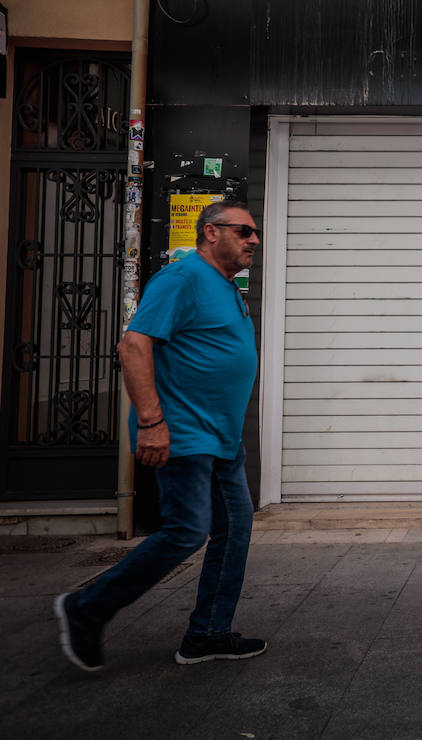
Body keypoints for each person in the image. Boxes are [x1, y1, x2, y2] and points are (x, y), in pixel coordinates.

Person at [55, 200, 267, 671]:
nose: (253, 239)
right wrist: (151, 423)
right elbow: (133, 345)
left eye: (255, 233)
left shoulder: (226, 286)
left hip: (222, 439)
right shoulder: (182, 277)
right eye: (244, 231)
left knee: (234, 529)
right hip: (185, 435)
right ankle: (86, 609)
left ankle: (207, 634)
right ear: (211, 232)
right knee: (187, 531)